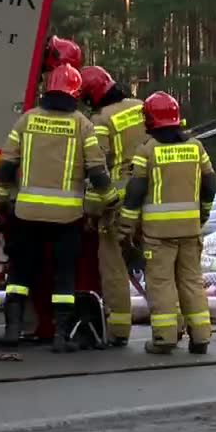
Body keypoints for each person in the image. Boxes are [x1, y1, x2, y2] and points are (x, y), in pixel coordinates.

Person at [0, 64, 111, 352]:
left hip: (27, 214)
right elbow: (97, 171)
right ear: (75, 92)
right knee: (64, 275)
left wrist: (0, 199)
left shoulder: (27, 120)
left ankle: (12, 330)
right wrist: (109, 199)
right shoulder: (83, 124)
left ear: (48, 88)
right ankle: (61, 336)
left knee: (19, 273)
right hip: (67, 217)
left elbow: (7, 165)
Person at [117, 92, 216, 355]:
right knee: (192, 282)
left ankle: (165, 338)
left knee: (161, 284)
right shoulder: (196, 147)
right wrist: (203, 215)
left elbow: (135, 194)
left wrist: (125, 229)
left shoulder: (146, 151)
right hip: (190, 231)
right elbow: (210, 185)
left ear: (149, 121)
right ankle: (200, 337)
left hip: (158, 235)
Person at [80, 65, 147, 347]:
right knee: (159, 266)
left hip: (119, 204)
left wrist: (92, 211)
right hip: (154, 199)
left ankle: (119, 330)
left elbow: (99, 170)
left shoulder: (100, 120)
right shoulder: (141, 106)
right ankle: (174, 325)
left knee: (114, 266)